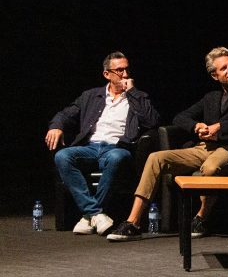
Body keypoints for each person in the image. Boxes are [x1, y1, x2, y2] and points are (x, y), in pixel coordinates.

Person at [107, 46, 228, 241]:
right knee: (155, 158)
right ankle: (133, 222)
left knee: (210, 168)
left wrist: (220, 127)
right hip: (202, 148)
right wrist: (196, 126)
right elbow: (180, 117)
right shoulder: (211, 97)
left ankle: (201, 218)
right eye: (224, 68)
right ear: (215, 75)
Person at [46, 51, 160, 235]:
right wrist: (56, 126)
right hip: (90, 147)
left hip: (117, 147)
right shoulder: (91, 96)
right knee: (62, 156)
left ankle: (88, 216)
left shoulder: (139, 96)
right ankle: (96, 214)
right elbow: (65, 114)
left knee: (116, 158)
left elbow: (152, 122)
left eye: (127, 69)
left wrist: (132, 92)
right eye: (119, 70)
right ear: (107, 74)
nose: (125, 74)